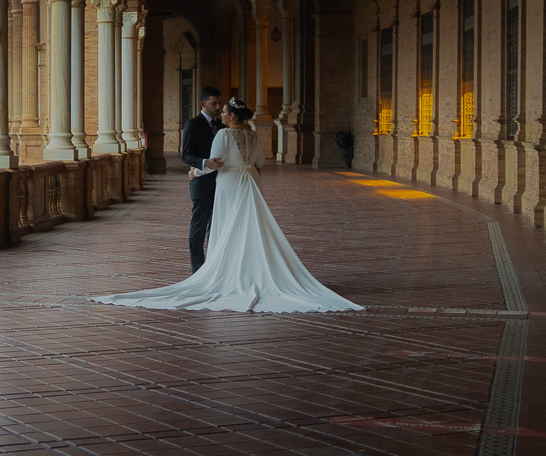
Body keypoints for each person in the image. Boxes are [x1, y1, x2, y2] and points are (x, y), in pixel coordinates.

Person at [93, 99, 361, 313]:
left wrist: (195, 172)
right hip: (251, 180)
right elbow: (260, 163)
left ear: (232, 116)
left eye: (224, 112)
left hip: (230, 181)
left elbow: (215, 162)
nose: (221, 114)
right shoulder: (252, 135)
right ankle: (254, 269)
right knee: (250, 225)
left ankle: (230, 271)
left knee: (228, 224)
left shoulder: (224, 134)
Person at [181, 87, 225, 272]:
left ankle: (213, 269)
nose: (218, 107)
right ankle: (198, 270)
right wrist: (204, 163)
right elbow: (186, 155)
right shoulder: (193, 124)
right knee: (198, 229)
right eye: (214, 103)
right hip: (201, 184)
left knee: (215, 227)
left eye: (219, 103)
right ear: (202, 104)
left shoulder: (222, 126)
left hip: (222, 183)